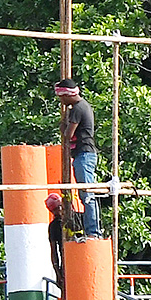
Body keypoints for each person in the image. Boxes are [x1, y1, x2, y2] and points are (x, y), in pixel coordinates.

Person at [55, 78, 99, 238]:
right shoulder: (80, 107)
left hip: (84, 154)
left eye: (61, 97)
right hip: (83, 155)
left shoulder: (78, 109)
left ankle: (93, 232)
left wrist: (64, 123)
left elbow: (68, 134)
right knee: (85, 194)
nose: (61, 101)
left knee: (87, 194)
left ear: (67, 95)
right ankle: (91, 231)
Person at [46, 193, 65, 290]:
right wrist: (58, 273)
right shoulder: (54, 226)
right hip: (65, 264)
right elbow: (54, 251)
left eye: (60, 206)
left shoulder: (77, 218)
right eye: (56, 209)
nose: (59, 210)